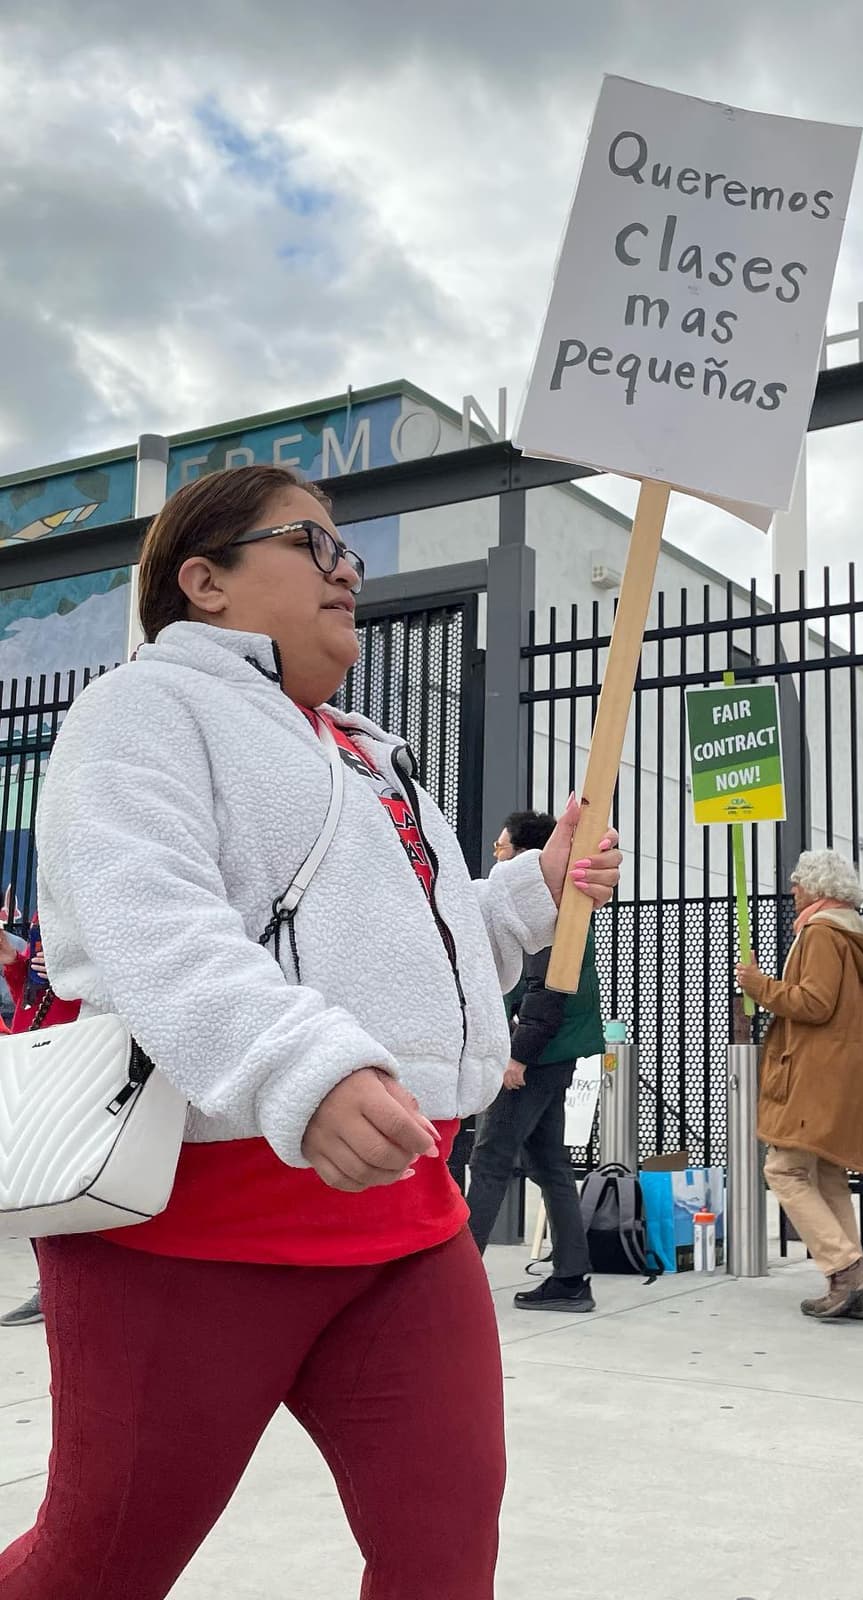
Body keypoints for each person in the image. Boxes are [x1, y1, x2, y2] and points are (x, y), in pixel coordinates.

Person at [0, 463, 622, 1600]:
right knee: (97, 1568)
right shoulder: (140, 709)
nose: (350, 570)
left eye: (350, 552)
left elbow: (417, 954)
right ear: (206, 581)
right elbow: (148, 925)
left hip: (403, 1219)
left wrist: (533, 887)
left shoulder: (370, 750)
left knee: (442, 1556)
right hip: (190, 1231)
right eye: (316, 544)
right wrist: (304, 1065)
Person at [735, 849, 863, 1321]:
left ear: (819, 889)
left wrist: (760, 985)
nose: (793, 890)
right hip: (845, 1070)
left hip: (816, 1071)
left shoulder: (821, 934)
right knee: (826, 1174)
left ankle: (847, 1268)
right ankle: (853, 1289)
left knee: (783, 1169)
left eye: (799, 883)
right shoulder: (853, 934)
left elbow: (815, 1003)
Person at [466, 811, 604, 1313]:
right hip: (556, 1050)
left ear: (525, 856)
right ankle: (570, 1278)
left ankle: (454, 1280)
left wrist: (517, 1056)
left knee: (489, 1161)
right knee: (550, 1165)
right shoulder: (563, 901)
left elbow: (547, 988)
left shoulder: (539, 904)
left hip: (535, 1054)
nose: (496, 856)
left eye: (502, 849)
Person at [0, 918, 82, 1327]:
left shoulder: (95, 897)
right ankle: (50, 1284)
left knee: (57, 1183)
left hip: (70, 1064)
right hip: (33, 1060)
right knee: (33, 1184)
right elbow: (33, 1000)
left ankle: (59, 1286)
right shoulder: (43, 914)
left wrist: (83, 973)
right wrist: (16, 965)